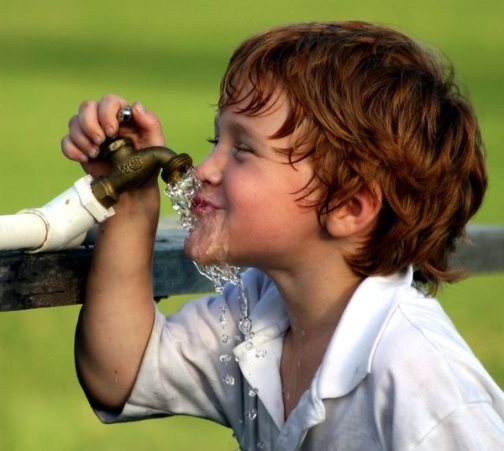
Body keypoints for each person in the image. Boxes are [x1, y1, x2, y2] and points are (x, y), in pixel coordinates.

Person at [61, 21, 504, 450]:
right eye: (215, 140)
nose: (203, 169)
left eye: (243, 150)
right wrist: (133, 205)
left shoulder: (420, 385)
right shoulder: (260, 314)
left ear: (348, 207)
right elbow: (122, 372)